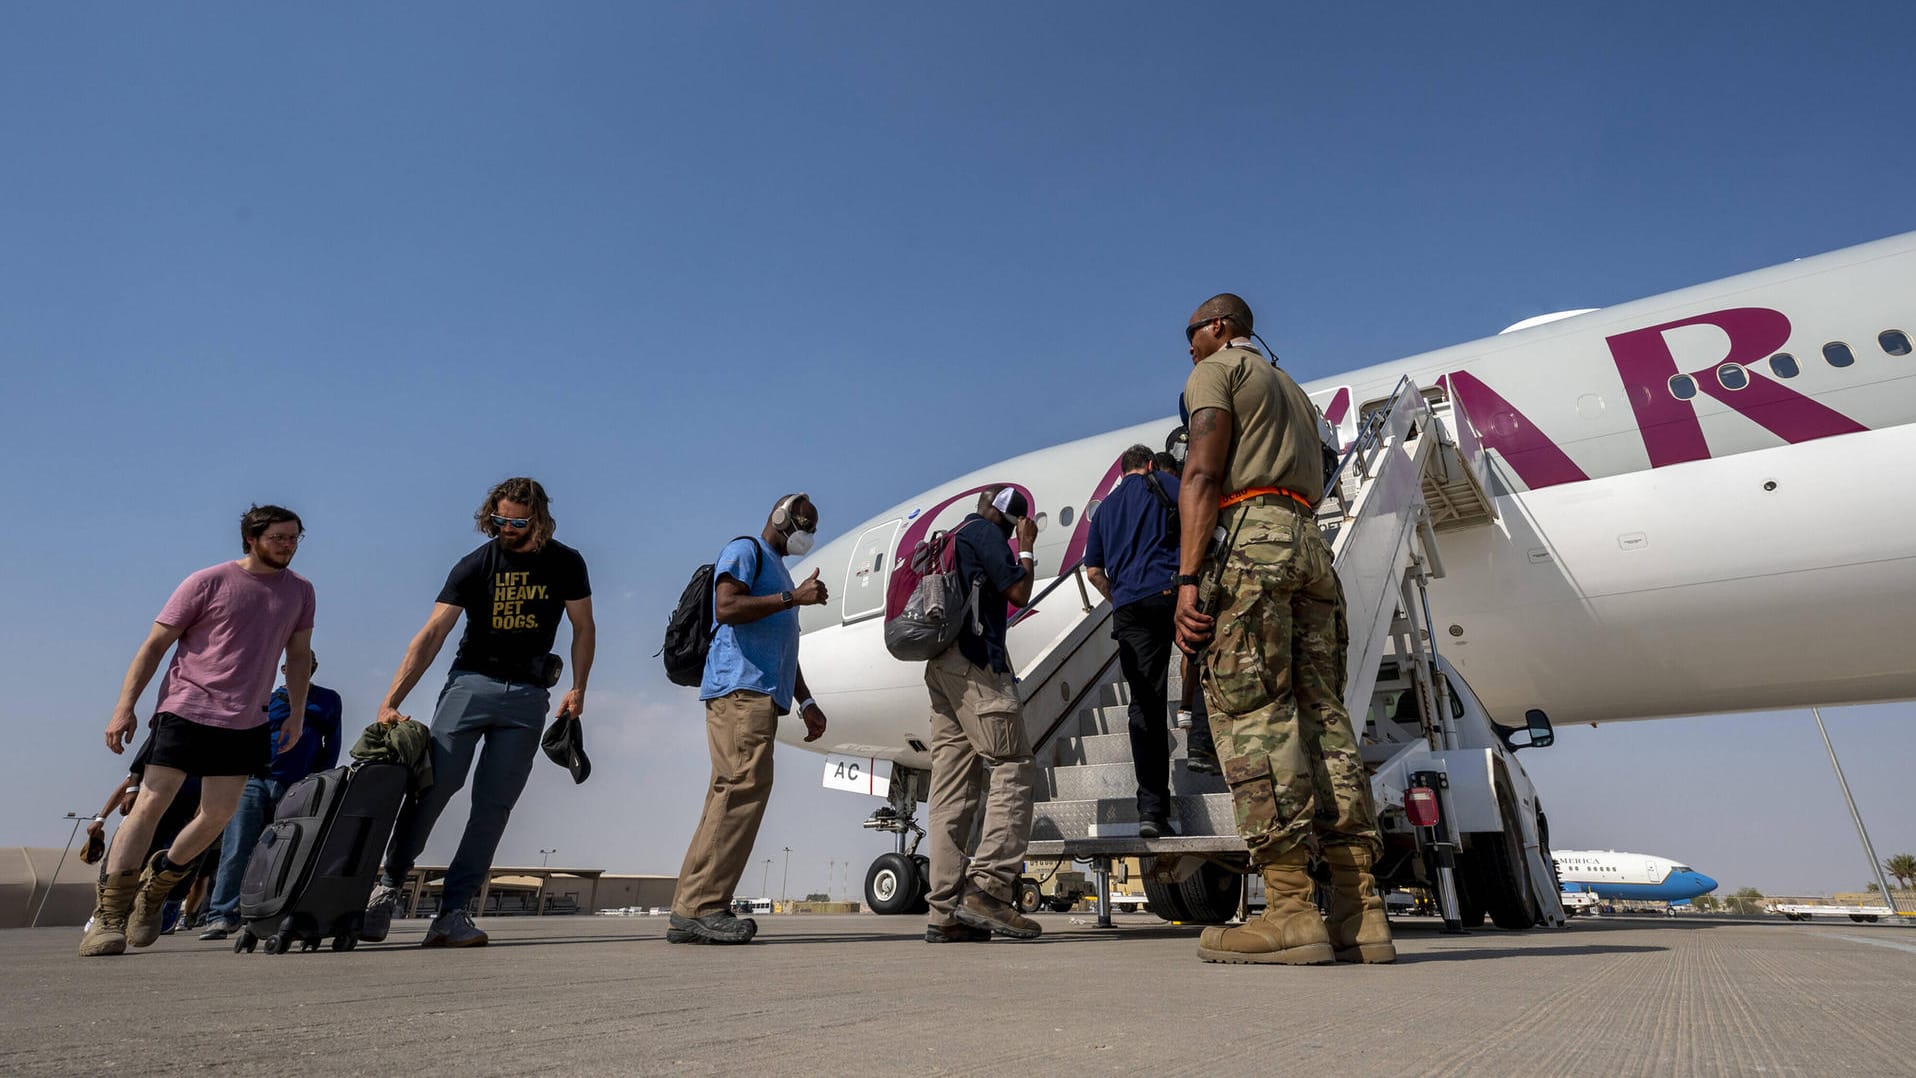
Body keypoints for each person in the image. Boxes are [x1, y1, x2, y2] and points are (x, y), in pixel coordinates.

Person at [1173, 294, 1394, 966]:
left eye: (1190, 337)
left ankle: (1292, 911)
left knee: (1255, 716)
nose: (1188, 350)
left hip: (1251, 538)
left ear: (1217, 329)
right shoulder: (1294, 392)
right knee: (1324, 719)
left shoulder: (1218, 373)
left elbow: (1204, 470)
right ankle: (1362, 913)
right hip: (1308, 547)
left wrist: (1186, 578)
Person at [361, 477, 594, 949]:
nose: (506, 529)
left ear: (539, 519)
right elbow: (432, 634)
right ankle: (387, 886)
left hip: (528, 697)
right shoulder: (475, 564)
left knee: (493, 808)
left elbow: (584, 627)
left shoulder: (566, 562)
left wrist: (578, 688)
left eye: (517, 522)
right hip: (469, 686)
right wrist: (392, 700)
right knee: (435, 786)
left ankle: (452, 913)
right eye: (499, 520)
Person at [80, 505, 315, 957]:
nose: (287, 546)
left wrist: (296, 713)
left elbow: (300, 655)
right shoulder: (207, 581)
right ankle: (109, 917)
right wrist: (123, 707)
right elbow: (154, 646)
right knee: (150, 805)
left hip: (246, 718)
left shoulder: (301, 592)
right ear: (252, 538)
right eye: (279, 538)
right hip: (185, 709)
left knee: (218, 816)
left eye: (293, 538)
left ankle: (158, 885)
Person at [669, 493, 830, 945]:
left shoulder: (780, 570)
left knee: (730, 793)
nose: (809, 535)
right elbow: (726, 607)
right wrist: (791, 597)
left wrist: (807, 699)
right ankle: (704, 907)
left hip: (762, 694)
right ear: (780, 519)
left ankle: (690, 907)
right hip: (740, 690)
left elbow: (782, 646)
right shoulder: (747, 551)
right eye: (805, 524)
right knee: (740, 789)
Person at [923, 487, 1043, 943]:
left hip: (942, 667)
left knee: (951, 787)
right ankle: (989, 889)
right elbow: (1018, 591)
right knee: (1013, 764)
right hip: (976, 662)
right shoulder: (987, 535)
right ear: (1006, 517)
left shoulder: (954, 535)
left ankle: (945, 911)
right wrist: (1025, 546)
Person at [1083, 445, 1218, 838]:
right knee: (1204, 659)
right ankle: (1200, 743)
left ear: (1122, 471)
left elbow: (1093, 571)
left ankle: (1152, 811)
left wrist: (1118, 595)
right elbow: (1200, 502)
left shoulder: (1105, 510)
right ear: (1149, 465)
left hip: (1129, 611)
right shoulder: (1162, 482)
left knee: (1144, 705)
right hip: (1171, 593)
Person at [199, 655, 344, 939]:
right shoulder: (264, 697)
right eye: (296, 664)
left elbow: (332, 742)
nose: (302, 669)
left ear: (314, 669)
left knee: (287, 851)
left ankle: (276, 912)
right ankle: (221, 915)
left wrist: (321, 781)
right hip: (253, 782)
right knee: (238, 847)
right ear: (283, 669)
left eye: (308, 665)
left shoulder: (327, 700)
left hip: (297, 786)